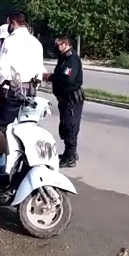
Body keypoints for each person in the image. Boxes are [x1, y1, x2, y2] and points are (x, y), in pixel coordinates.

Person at [0, 10, 46, 133]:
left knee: (4, 129)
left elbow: (2, 69)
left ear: (13, 23)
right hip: (30, 91)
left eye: (8, 23)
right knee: (24, 129)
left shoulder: (10, 41)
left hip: (12, 91)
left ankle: (5, 152)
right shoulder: (36, 43)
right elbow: (40, 70)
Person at [42, 35, 84, 168]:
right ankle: (69, 153)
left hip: (72, 99)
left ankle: (70, 157)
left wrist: (51, 77)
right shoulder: (64, 57)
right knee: (65, 127)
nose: (56, 47)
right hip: (64, 99)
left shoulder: (72, 59)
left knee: (71, 127)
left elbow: (67, 78)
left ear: (65, 44)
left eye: (58, 44)